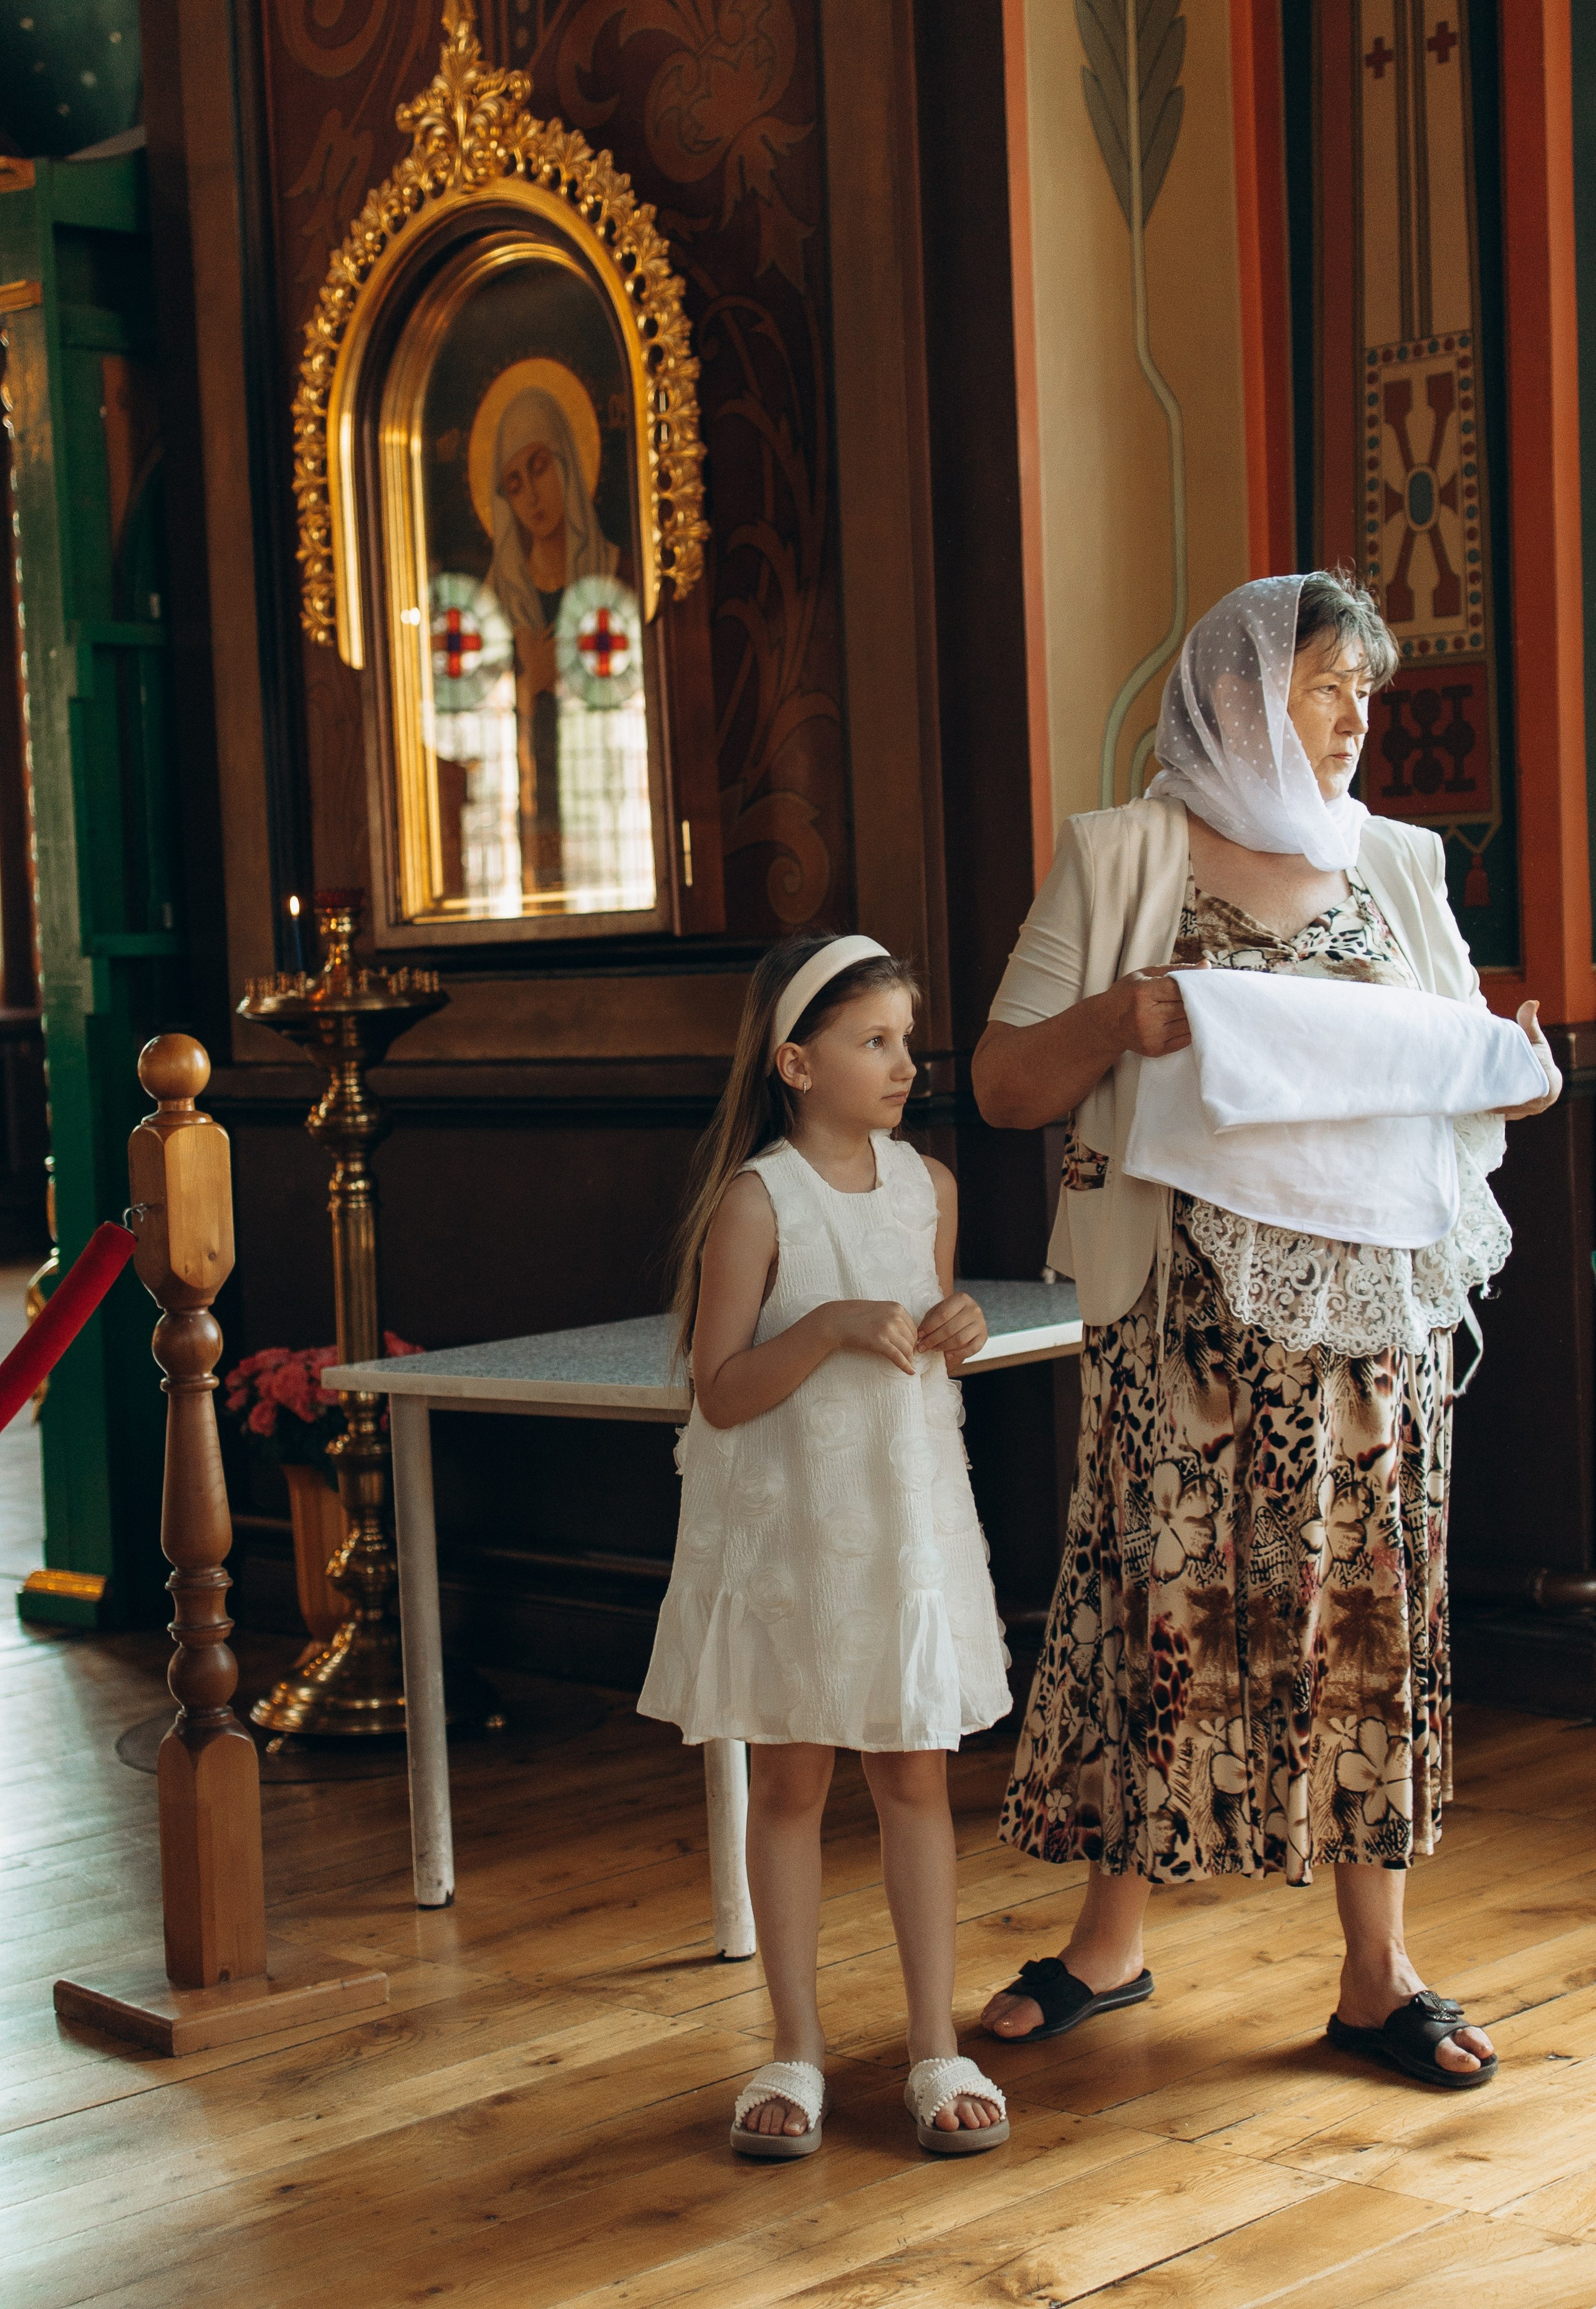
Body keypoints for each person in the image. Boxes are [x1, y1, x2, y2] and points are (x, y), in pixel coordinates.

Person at [971, 571, 1560, 2093]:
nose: (1355, 717)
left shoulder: (1399, 865)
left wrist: (1508, 1062)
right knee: (1159, 1609)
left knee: (1361, 1618)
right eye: (1323, 686)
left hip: (1371, 1339)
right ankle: (1110, 1938)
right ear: (1236, 695)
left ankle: (1379, 1971)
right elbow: (1000, 1084)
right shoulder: (1122, 854)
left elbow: (1450, 1066)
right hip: (1184, 1338)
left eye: (1365, 690)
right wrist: (1123, 1020)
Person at [638, 933, 1014, 2157]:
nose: (903, 1062)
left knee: (912, 1774)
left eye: (905, 1039)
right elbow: (723, 1389)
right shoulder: (757, 1201)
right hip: (794, 1536)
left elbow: (930, 1335)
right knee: (790, 1780)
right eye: (873, 1041)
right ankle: (791, 2048)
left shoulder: (929, 1189)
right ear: (796, 1063)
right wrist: (832, 1326)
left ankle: (930, 2046)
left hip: (899, 1528)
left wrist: (954, 1325)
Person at [486, 387, 619, 896]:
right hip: (521, 827)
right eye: (515, 485)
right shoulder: (496, 604)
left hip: (604, 820)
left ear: (568, 460)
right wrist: (525, 689)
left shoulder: (617, 576)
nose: (533, 497)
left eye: (540, 468)